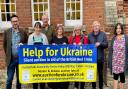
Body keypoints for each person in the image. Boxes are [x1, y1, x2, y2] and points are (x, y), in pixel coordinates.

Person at [3, 15, 28, 89]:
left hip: (20, 59)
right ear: (11, 22)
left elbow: (27, 43)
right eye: (13, 21)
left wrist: (23, 44)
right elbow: (5, 45)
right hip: (11, 59)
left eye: (16, 21)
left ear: (18, 22)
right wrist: (8, 55)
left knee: (19, 79)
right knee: (9, 79)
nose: (15, 23)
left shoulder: (23, 32)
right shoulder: (7, 32)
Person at [28, 22, 48, 89]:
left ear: (41, 28)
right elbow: (28, 49)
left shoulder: (44, 36)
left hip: (42, 60)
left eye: (39, 27)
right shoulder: (31, 37)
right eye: (36, 27)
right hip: (34, 60)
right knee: (35, 78)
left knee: (42, 78)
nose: (38, 29)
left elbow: (47, 48)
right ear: (34, 28)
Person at [88, 21, 108, 89]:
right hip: (92, 59)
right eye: (94, 26)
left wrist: (100, 44)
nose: (96, 27)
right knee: (93, 74)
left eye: (97, 26)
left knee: (100, 74)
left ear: (99, 27)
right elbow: (87, 46)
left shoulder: (103, 34)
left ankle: (101, 87)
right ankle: (93, 87)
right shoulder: (90, 35)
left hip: (100, 58)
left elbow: (106, 45)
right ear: (92, 27)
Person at [108, 23, 128, 89]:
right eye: (117, 28)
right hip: (115, 61)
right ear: (115, 30)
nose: (118, 30)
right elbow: (111, 51)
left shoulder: (125, 37)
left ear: (121, 29)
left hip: (122, 61)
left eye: (119, 28)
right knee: (115, 77)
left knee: (122, 77)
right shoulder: (114, 38)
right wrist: (110, 61)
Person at [49, 24, 69, 89]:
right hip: (55, 60)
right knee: (56, 73)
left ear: (62, 30)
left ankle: (63, 86)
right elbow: (48, 49)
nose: (59, 30)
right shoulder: (53, 38)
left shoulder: (65, 38)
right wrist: (52, 45)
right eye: (58, 29)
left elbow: (69, 49)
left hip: (63, 60)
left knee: (63, 74)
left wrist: (66, 45)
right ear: (56, 30)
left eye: (61, 29)